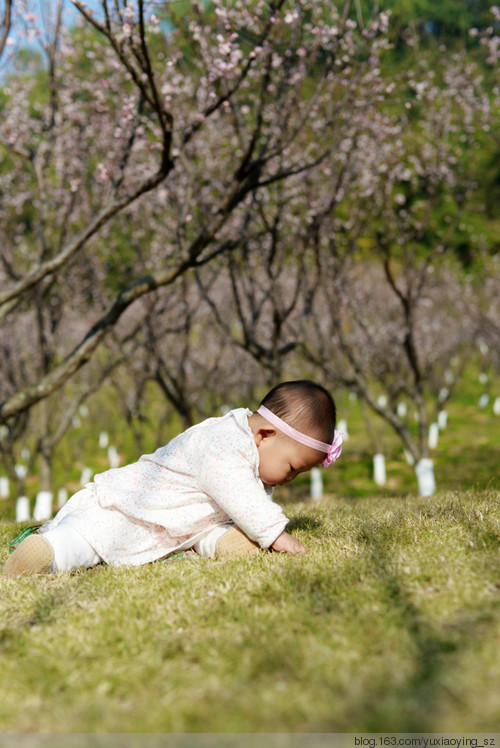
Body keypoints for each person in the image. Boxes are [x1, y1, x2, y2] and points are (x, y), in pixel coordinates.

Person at [3, 380, 342, 577]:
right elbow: (244, 499)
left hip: (183, 520)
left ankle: (224, 544)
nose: (292, 478)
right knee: (92, 540)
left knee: (207, 529)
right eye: (293, 467)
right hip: (130, 508)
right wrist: (277, 537)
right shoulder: (223, 443)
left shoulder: (247, 443)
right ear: (265, 435)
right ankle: (50, 552)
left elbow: (232, 504)